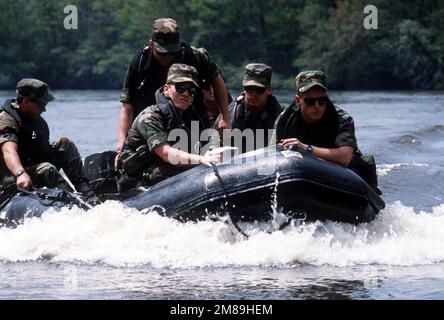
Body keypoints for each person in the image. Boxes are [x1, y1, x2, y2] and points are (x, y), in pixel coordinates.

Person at [118, 17, 231, 154]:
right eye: (162, 52)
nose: (167, 57)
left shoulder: (195, 56)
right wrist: (121, 141)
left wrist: (225, 117)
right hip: (155, 120)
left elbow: (216, 81)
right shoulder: (139, 65)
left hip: (191, 111)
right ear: (151, 44)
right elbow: (127, 106)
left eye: (172, 52)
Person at [117, 64, 220, 191]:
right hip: (138, 179)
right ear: (166, 89)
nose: (186, 94)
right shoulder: (150, 116)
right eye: (180, 88)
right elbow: (166, 153)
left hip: (167, 170)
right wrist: (203, 159)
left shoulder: (190, 117)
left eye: (192, 90)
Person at [274, 70, 380, 192]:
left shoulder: (341, 119)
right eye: (310, 101)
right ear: (298, 100)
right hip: (299, 174)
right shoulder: (285, 121)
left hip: (342, 175)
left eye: (322, 100)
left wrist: (305, 148)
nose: (317, 106)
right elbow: (275, 156)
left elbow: (344, 158)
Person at [0, 79, 85, 201]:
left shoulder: (38, 122)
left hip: (32, 169)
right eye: (41, 104)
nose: (44, 109)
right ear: (26, 101)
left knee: (65, 144)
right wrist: (20, 174)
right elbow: (9, 151)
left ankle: (86, 192)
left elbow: (44, 151)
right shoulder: (6, 120)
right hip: (9, 178)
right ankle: (74, 202)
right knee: (46, 169)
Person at [228, 63, 282, 151]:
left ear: (269, 90)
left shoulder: (280, 118)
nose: (254, 94)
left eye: (259, 90)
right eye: (249, 89)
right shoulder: (229, 114)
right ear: (244, 88)